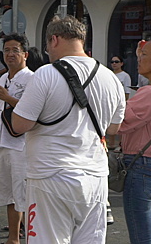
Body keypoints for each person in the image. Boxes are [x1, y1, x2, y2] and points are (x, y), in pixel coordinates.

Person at [11, 16, 126, 244]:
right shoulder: (110, 78)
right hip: (94, 177)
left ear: (54, 39)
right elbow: (113, 128)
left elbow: (19, 125)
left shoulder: (45, 74)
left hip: (49, 175)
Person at [108, 36, 151, 244]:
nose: (139, 59)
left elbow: (119, 122)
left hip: (141, 168)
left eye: (145, 55)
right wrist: (141, 54)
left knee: (142, 238)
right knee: (149, 235)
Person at [0, 33, 33, 244]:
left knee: (24, 193)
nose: (10, 54)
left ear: (25, 54)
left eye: (15, 50)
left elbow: (33, 112)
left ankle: (32, 237)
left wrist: (8, 98)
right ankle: (13, 237)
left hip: (22, 145)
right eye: (7, 50)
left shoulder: (32, 78)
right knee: (8, 193)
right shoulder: (4, 78)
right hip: (3, 143)